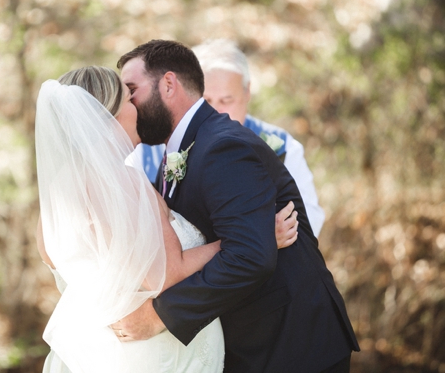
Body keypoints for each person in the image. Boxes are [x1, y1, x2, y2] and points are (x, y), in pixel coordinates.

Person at [112, 40, 359, 372]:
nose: (129, 104)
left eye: (132, 90)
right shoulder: (177, 154)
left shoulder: (222, 146)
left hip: (290, 345)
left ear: (168, 84)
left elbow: (250, 256)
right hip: (250, 341)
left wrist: (160, 316)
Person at [35, 66, 299, 373]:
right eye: (129, 101)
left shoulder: (53, 201)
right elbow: (169, 273)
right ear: (110, 116)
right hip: (153, 355)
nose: (139, 109)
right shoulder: (125, 184)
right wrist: (257, 235)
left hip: (96, 353)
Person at [133, 39, 325, 236]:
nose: (215, 110)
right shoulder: (150, 151)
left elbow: (309, 219)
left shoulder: (282, 146)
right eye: (205, 100)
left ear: (247, 92)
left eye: (226, 100)